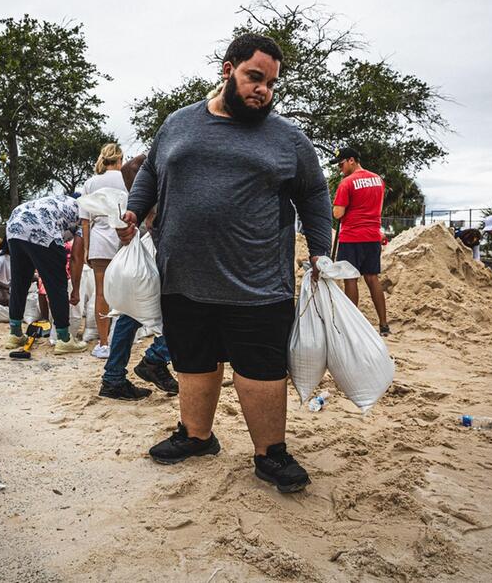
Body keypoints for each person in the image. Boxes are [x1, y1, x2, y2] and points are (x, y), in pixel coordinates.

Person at [119, 34, 332, 493]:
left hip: (257, 281)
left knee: (260, 369)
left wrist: (320, 249)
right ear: (227, 69)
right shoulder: (178, 123)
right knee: (194, 361)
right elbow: (153, 171)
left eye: (272, 83)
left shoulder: (287, 138)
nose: (264, 91)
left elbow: (314, 193)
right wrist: (135, 209)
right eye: (255, 77)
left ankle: (270, 454)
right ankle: (197, 436)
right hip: (182, 274)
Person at [99, 153, 178, 400]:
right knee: (183, 312)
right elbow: (133, 167)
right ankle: (154, 359)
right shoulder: (158, 204)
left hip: (153, 252)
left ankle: (113, 377)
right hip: (166, 252)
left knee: (130, 314)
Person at [5, 194, 89, 354]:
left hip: (15, 224)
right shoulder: (87, 216)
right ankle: (64, 339)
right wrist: (76, 289)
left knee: (19, 281)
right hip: (42, 228)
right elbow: (77, 258)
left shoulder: (66, 202)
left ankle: (15, 334)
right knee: (56, 284)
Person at [330, 147, 390, 336]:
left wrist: (342, 208)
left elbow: (338, 213)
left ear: (351, 161)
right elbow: (378, 208)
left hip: (352, 237)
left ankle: (352, 324)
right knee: (372, 278)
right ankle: (383, 325)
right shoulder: (378, 180)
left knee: (350, 278)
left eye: (341, 164)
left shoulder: (347, 183)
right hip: (372, 236)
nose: (340, 169)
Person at [79, 142, 128, 359]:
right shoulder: (127, 178)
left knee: (101, 292)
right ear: (120, 159)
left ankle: (104, 342)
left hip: (99, 238)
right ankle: (123, 338)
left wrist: (88, 249)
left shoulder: (90, 183)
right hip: (123, 236)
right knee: (126, 290)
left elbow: (85, 221)